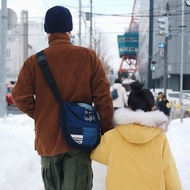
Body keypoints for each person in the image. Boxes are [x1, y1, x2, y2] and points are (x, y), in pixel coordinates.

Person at [11, 6, 114, 190]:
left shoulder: (34, 62)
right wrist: (107, 133)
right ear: (70, 29)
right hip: (80, 139)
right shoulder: (88, 57)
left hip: (47, 143)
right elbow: (103, 98)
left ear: (47, 30)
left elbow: (19, 97)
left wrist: (43, 114)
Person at [91, 81, 182, 190]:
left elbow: (97, 154)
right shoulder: (160, 138)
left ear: (129, 107)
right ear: (153, 108)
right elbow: (169, 171)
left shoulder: (113, 135)